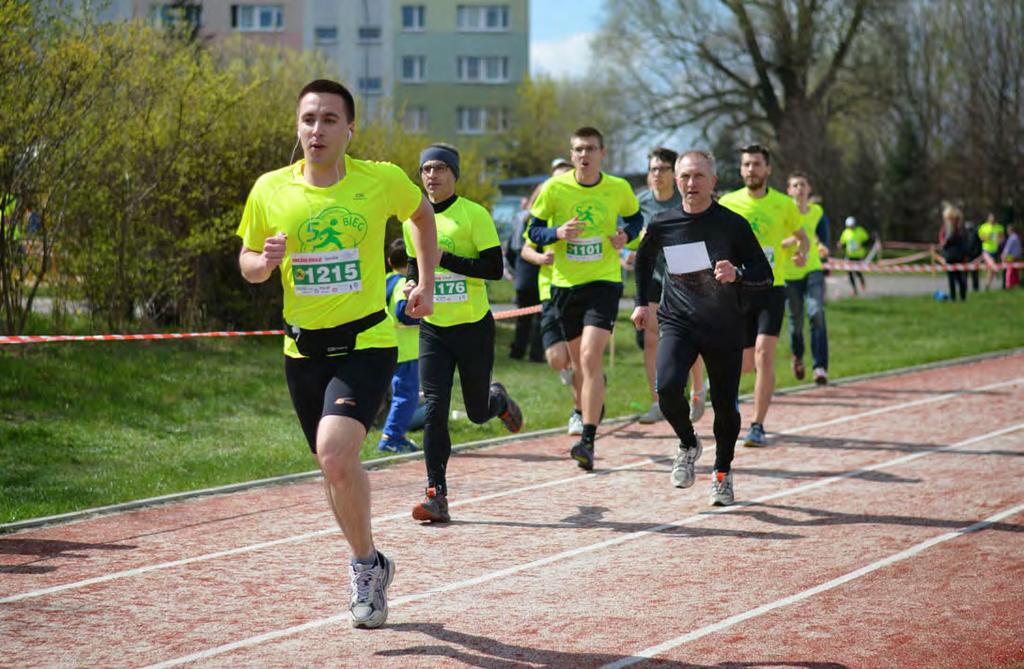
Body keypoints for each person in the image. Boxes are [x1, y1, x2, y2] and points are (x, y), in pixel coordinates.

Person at [236, 79, 437, 629]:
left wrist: (426, 281)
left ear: (350, 129)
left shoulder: (381, 180)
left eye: (329, 119)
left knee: (335, 449)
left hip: (367, 341)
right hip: (302, 349)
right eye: (308, 119)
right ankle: (370, 563)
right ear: (297, 127)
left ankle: (362, 573)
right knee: (334, 467)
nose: (317, 130)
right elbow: (248, 263)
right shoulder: (271, 189)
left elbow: (421, 217)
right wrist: (267, 262)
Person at [631, 150, 773, 506]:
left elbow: (764, 274)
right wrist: (639, 301)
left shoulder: (732, 224)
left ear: (713, 181)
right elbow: (644, 258)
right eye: (684, 177)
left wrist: (737, 274)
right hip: (678, 322)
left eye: (697, 177)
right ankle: (688, 442)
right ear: (676, 181)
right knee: (666, 391)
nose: (690, 184)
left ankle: (722, 473)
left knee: (725, 408)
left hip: (723, 327)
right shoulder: (664, 223)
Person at [404, 142, 524, 523]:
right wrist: (410, 286)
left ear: (454, 174)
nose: (432, 176)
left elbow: (493, 268)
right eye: (425, 170)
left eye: (440, 168)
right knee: (436, 409)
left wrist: (445, 258)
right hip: (434, 330)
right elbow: (413, 267)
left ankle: (498, 402)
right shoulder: (412, 220)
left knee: (475, 413)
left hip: (473, 328)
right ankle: (436, 494)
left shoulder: (474, 214)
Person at [528, 127, 644, 470]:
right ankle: (590, 406)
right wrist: (557, 233)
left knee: (591, 357)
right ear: (572, 151)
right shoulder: (554, 188)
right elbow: (531, 231)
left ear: (602, 153)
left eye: (590, 149)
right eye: (578, 149)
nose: (584, 155)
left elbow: (636, 218)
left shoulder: (618, 188)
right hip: (565, 287)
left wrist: (627, 234)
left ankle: (588, 440)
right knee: (579, 364)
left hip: (604, 282)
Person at [719, 144, 808, 449]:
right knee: (744, 364)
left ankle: (757, 424)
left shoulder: (784, 204)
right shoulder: (729, 202)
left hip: (772, 288)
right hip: (739, 290)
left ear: (768, 169)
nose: (751, 170)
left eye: (757, 164)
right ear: (741, 169)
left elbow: (802, 238)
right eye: (746, 165)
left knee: (763, 355)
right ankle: (743, 407)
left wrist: (801, 254)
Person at [631, 148, 708, 425]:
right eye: (652, 169)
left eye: (663, 169)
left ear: (674, 174)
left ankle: (698, 388)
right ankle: (657, 401)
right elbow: (630, 236)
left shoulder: (685, 198)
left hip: (686, 276)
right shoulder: (639, 203)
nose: (657, 175)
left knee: (689, 337)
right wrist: (630, 251)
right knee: (651, 338)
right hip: (654, 276)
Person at [520, 158, 584, 434]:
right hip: (550, 293)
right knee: (558, 359)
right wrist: (541, 257)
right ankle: (590, 381)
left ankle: (579, 412)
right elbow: (525, 249)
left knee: (579, 357)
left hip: (579, 291)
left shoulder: (580, 213)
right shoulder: (543, 218)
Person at [784, 171, 830, 385]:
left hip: (813, 269)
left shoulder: (817, 212)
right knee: (795, 323)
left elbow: (823, 239)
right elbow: (778, 241)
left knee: (816, 313)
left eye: (803, 184)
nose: (800, 189)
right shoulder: (783, 212)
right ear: (789, 190)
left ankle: (820, 366)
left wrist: (823, 247)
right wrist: (796, 240)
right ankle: (798, 356)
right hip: (789, 273)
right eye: (795, 185)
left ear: (809, 188)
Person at [378, 239, 422, 454]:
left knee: (399, 393)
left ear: (389, 261)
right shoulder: (403, 283)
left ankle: (397, 435)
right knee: (406, 395)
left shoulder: (385, 280)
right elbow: (403, 312)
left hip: (388, 344)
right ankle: (391, 437)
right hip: (405, 349)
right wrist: (424, 317)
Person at [508, 195, 544, 362]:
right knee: (540, 316)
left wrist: (516, 272)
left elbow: (510, 248)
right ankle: (536, 354)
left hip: (522, 272)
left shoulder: (518, 218)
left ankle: (517, 351)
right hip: (538, 271)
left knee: (522, 317)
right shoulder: (541, 220)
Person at [939, 204, 969, 302]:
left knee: (958, 278)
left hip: (957, 256)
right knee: (952, 278)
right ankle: (954, 297)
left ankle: (960, 297)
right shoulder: (948, 228)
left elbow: (947, 242)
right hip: (950, 256)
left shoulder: (958, 229)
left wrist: (945, 243)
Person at [838, 216, 870, 296]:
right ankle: (854, 290)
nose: (851, 227)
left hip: (858, 256)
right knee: (849, 273)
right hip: (849, 256)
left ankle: (862, 281)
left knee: (857, 272)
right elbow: (842, 242)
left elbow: (867, 240)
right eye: (849, 226)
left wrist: (862, 245)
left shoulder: (860, 231)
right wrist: (840, 245)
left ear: (855, 224)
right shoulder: (846, 232)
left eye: (852, 225)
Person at [978, 212, 1006, 290]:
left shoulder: (999, 227)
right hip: (986, 249)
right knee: (992, 264)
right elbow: (981, 238)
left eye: (993, 219)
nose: (992, 220)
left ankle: (987, 284)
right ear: (988, 219)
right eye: (991, 218)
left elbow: (1002, 238)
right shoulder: (984, 227)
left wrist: (999, 240)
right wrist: (987, 237)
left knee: (990, 269)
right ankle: (995, 269)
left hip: (995, 250)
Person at [1002, 224, 1021, 289]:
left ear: (1009, 230)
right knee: (1015, 271)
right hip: (1017, 256)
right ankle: (1017, 284)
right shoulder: (1017, 237)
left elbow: (1008, 248)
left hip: (1011, 256)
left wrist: (1003, 255)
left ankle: (1008, 284)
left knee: (1009, 270)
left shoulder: (1012, 238)